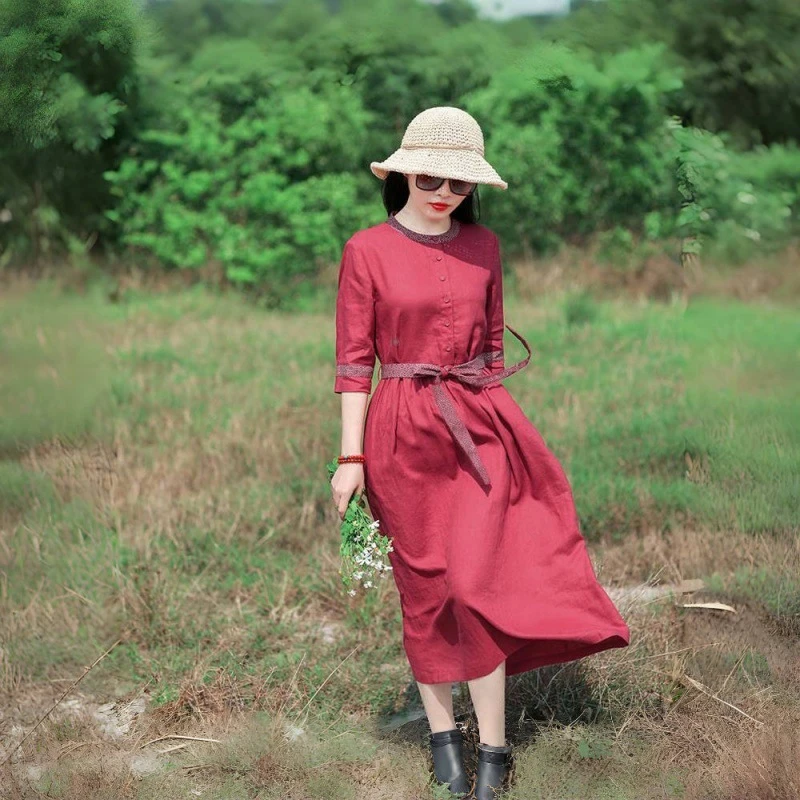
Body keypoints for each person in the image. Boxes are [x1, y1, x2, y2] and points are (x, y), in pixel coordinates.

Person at [329, 106, 631, 799]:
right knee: (428, 591)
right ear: (404, 171)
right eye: (430, 176)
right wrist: (351, 459)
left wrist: (513, 438)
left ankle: (495, 745)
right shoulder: (365, 249)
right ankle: (445, 738)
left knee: (478, 586)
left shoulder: (485, 247)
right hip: (400, 433)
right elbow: (354, 363)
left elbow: (492, 353)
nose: (443, 192)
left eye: (459, 184)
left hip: (477, 426)